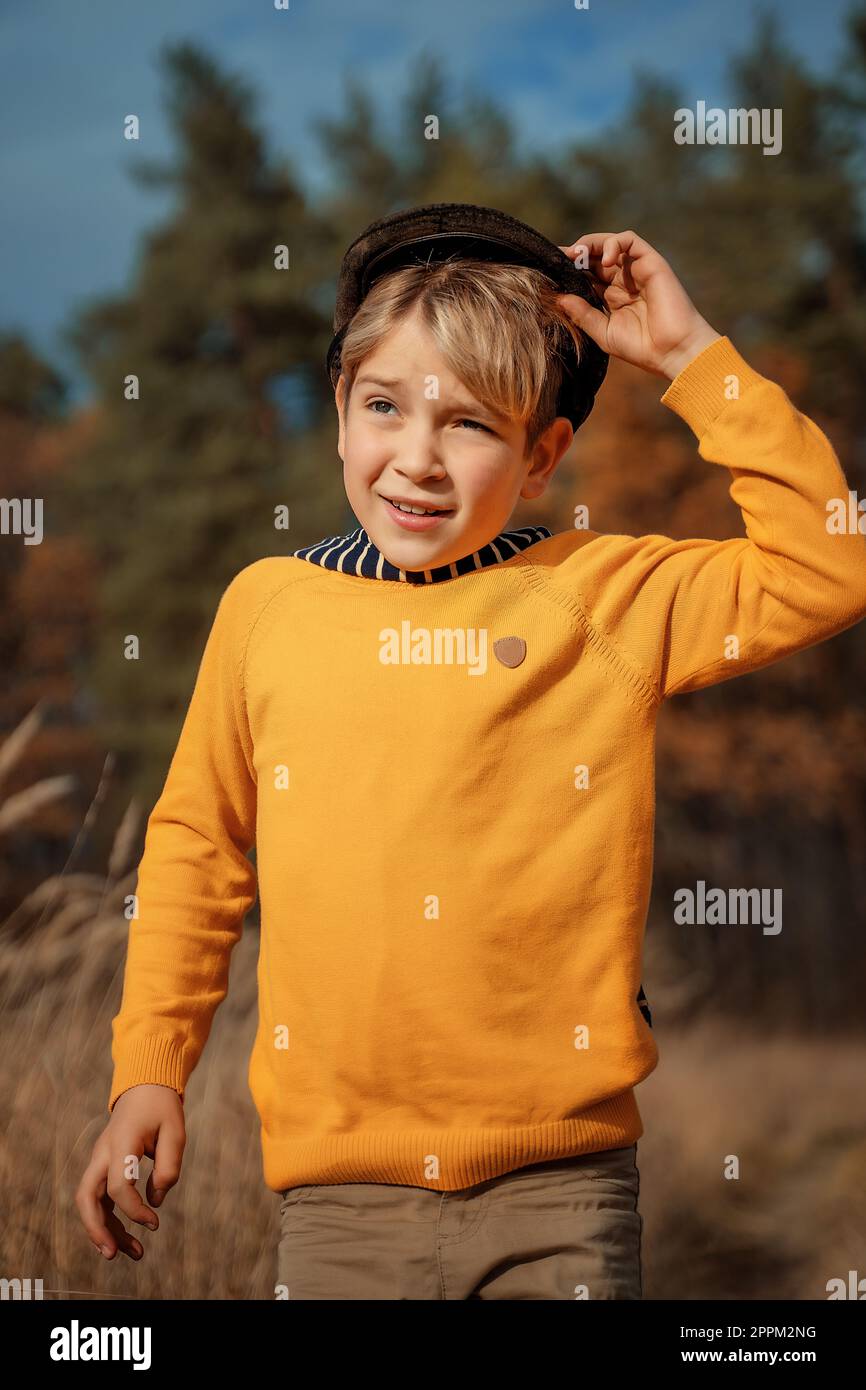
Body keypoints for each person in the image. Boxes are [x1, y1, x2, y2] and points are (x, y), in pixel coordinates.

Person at [76, 205, 866, 1299]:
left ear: (542, 454)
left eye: (469, 424)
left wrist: (686, 356)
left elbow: (831, 567)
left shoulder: (602, 598)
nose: (416, 458)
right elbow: (197, 849)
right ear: (340, 416)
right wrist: (146, 1074)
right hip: (336, 1202)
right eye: (385, 407)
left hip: (563, 1190)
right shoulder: (267, 609)